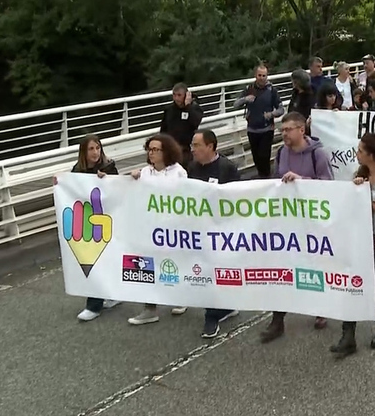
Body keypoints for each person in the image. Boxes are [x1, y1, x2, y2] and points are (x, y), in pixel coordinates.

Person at [259, 112, 335, 343]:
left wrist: (302, 181)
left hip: (310, 223)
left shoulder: (318, 154)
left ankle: (322, 307)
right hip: (286, 221)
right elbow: (275, 182)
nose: (284, 134)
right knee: (281, 267)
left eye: (289, 129)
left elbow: (329, 187)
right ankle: (277, 319)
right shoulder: (281, 153)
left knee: (314, 264)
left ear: (302, 130)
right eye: (282, 130)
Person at [332, 130, 375, 356]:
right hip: (361, 237)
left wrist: (366, 198)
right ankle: (348, 334)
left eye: (361, 151)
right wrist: (355, 190)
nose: (357, 154)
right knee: (353, 282)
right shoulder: (359, 175)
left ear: (372, 155)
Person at [55, 135, 120, 322]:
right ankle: (98, 301)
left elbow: (117, 190)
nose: (95, 152)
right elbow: (72, 190)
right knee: (93, 262)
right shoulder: (78, 170)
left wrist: (107, 179)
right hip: (87, 223)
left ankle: (102, 300)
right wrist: (60, 183)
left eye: (98, 148)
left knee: (105, 260)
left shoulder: (108, 167)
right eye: (91, 149)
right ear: (84, 152)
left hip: (106, 220)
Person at [128, 134, 189, 326]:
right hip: (149, 227)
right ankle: (149, 308)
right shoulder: (144, 173)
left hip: (172, 227)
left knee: (173, 262)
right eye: (150, 149)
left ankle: (180, 297)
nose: (152, 153)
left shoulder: (178, 172)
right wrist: (132, 178)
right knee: (148, 265)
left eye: (156, 149)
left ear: (166, 152)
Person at [187, 129, 242, 338]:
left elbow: (238, 198)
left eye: (197, 145)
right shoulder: (192, 167)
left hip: (221, 232)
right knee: (206, 271)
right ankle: (224, 307)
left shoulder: (227, 168)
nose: (193, 150)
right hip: (199, 230)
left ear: (210, 146)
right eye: (192, 145)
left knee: (215, 271)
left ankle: (212, 317)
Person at [234, 65, 285, 178]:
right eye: (259, 75)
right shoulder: (249, 89)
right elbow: (235, 104)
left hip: (267, 129)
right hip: (252, 129)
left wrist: (271, 114)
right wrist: (245, 99)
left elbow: (281, 109)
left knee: (264, 156)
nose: (262, 78)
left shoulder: (271, 90)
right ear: (255, 76)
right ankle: (261, 177)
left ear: (267, 76)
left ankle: (266, 178)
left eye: (264, 76)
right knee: (256, 157)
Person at [160, 83, 203, 164]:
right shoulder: (169, 110)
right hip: (171, 148)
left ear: (186, 95)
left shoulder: (195, 109)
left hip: (186, 150)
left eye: (179, 95)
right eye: (174, 95)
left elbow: (195, 122)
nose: (176, 98)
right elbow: (163, 129)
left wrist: (187, 107)